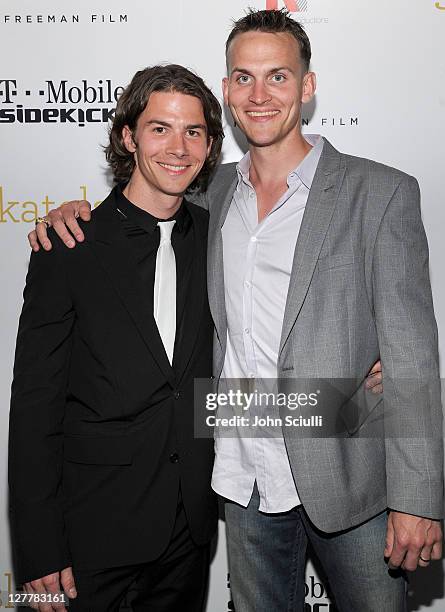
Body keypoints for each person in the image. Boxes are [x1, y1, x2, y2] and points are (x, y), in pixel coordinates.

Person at [27, 9, 443, 612]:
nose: (259, 94)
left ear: (308, 86)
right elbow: (141, 203)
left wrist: (418, 495)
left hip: (353, 485)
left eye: (278, 76)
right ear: (226, 91)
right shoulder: (206, 191)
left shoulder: (381, 194)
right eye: (242, 77)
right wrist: (71, 214)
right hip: (239, 484)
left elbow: (413, 357)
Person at [9, 64, 224, 612]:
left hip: (189, 534)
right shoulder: (70, 245)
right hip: (91, 535)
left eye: (193, 132)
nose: (178, 147)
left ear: (208, 145)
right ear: (128, 137)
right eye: (160, 129)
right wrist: (36, 548)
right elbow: (36, 407)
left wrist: (356, 386)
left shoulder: (219, 237)